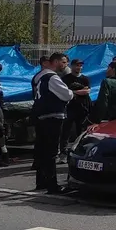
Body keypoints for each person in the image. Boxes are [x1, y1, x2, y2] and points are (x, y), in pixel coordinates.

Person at [32, 53, 82, 194]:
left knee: (42, 150)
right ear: (55, 62)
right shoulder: (52, 77)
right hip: (53, 116)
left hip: (41, 115)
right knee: (51, 151)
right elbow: (66, 95)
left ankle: (41, 181)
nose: (65, 65)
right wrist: (73, 92)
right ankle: (52, 185)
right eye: (63, 62)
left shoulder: (38, 77)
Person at [61, 58, 92, 160]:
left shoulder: (85, 79)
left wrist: (73, 91)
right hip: (69, 108)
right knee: (66, 131)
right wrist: (77, 91)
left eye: (80, 65)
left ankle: (80, 152)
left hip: (82, 108)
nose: (79, 67)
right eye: (77, 65)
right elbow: (65, 92)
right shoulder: (66, 79)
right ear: (72, 66)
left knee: (81, 132)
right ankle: (63, 153)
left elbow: (87, 91)